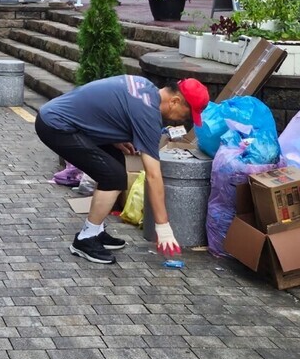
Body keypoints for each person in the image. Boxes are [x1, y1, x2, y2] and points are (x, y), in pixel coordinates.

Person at [35, 75, 210, 264]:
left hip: (61, 117)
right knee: (114, 177)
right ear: (175, 101)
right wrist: (163, 226)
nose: (184, 121)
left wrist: (114, 136)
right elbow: (153, 175)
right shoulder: (148, 113)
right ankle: (85, 239)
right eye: (186, 115)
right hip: (56, 126)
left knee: (115, 163)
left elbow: (106, 107)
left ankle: (96, 231)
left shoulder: (145, 87)